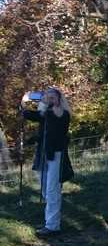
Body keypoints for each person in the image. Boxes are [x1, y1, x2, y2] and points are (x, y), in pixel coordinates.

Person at [21, 88, 72, 236]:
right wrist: (36, 139)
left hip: (56, 155)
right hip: (43, 153)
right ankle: (51, 217)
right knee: (45, 188)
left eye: (52, 97)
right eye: (47, 97)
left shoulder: (62, 114)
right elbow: (46, 130)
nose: (50, 100)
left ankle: (52, 226)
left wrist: (27, 105)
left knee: (51, 190)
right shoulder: (47, 114)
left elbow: (53, 128)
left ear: (59, 99)